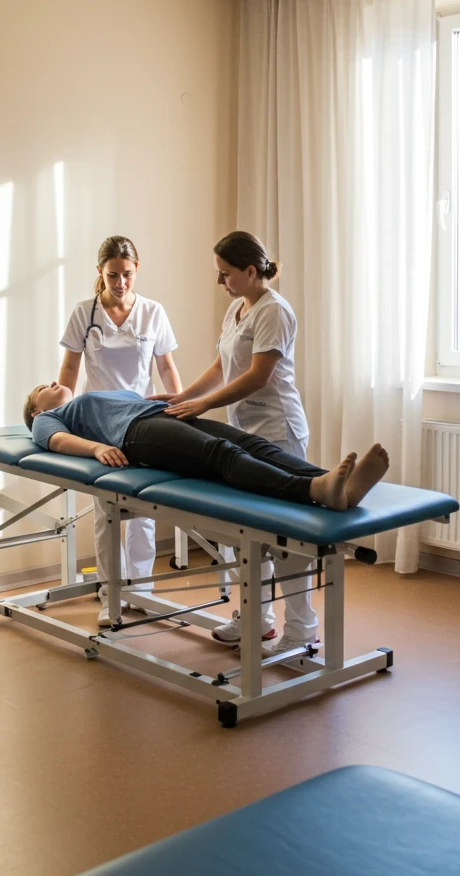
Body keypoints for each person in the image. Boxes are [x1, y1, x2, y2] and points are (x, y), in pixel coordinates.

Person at [148, 231, 318, 654]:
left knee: (285, 537)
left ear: (250, 270)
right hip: (244, 432)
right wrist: (183, 396)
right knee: (244, 532)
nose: (220, 282)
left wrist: (202, 405)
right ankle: (256, 620)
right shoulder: (236, 310)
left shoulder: (274, 312)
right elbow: (223, 367)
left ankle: (302, 629)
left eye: (226, 274)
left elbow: (258, 376)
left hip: (279, 430)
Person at [54, 236, 182, 628]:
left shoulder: (152, 312)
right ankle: (111, 595)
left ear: (136, 270)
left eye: (127, 274)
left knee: (144, 509)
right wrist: (60, 414)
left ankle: (142, 591)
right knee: (105, 512)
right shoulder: (84, 312)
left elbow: (165, 367)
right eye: (113, 275)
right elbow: (71, 371)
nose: (120, 282)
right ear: (100, 273)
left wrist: (180, 407)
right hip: (97, 422)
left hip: (142, 421)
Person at [22, 386, 389, 514]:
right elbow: (54, 441)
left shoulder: (91, 397)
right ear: (37, 409)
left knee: (250, 443)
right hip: (135, 434)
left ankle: (336, 485)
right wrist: (97, 448)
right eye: (44, 387)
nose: (54, 383)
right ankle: (312, 491)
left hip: (162, 415)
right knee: (221, 454)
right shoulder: (48, 418)